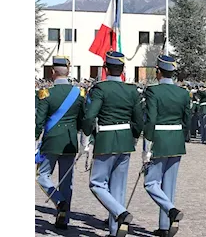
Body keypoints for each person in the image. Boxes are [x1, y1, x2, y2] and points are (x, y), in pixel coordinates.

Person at [82, 51, 144, 237]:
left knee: (96, 183)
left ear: (105, 69)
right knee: (118, 188)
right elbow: (139, 120)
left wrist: (89, 133)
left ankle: (120, 213)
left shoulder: (100, 88)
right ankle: (116, 230)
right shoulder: (132, 90)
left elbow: (90, 116)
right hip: (125, 140)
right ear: (123, 69)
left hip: (106, 139)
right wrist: (133, 136)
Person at [34, 56, 86, 230]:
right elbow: (82, 120)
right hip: (70, 141)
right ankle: (64, 219)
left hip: (52, 141)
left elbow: (38, 123)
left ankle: (59, 201)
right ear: (68, 71)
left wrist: (34, 139)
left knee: (42, 176)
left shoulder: (46, 93)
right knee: (66, 181)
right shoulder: (78, 93)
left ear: (52, 72)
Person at [143, 54, 189, 237]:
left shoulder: (153, 91)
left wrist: (147, 144)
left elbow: (151, 119)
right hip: (176, 140)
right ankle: (164, 227)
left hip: (159, 140)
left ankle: (171, 210)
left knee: (151, 183)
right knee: (169, 186)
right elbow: (187, 119)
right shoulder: (183, 92)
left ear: (158, 71)